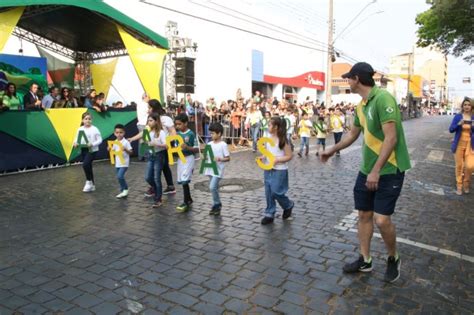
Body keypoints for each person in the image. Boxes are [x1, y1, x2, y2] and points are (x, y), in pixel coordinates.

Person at [321, 62, 411, 283]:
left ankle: (393, 257)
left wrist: (376, 171)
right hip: (367, 170)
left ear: (358, 79)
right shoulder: (361, 106)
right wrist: (332, 149)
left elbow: (391, 138)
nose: (347, 82)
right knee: (363, 215)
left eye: (349, 78)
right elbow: (352, 135)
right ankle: (365, 259)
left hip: (389, 169)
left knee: (381, 220)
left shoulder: (383, 99)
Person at [259, 117, 294, 225]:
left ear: (276, 127)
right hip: (268, 168)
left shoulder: (283, 140)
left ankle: (288, 205)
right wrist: (263, 156)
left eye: (269, 125)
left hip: (280, 170)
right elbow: (267, 151)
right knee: (268, 191)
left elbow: (289, 156)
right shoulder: (268, 137)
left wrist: (278, 159)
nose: (267, 127)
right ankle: (269, 213)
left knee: (276, 191)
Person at [204, 122, 230, 215]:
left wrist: (220, 159)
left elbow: (228, 158)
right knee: (214, 187)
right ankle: (216, 205)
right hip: (210, 169)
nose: (211, 135)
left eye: (213, 133)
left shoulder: (223, 144)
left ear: (219, 134)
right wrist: (205, 157)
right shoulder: (209, 144)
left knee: (212, 187)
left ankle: (217, 204)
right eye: (210, 133)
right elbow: (207, 156)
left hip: (218, 169)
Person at [449, 97, 474, 195]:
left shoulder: (473, 117)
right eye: (465, 105)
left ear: (471, 106)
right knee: (459, 166)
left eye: (468, 105)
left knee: (469, 166)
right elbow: (451, 129)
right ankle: (459, 186)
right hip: (459, 143)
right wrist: (459, 124)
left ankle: (466, 183)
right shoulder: (458, 116)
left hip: (470, 144)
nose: (467, 106)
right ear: (462, 106)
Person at [175, 114, 199, 212]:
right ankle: (188, 199)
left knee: (185, 179)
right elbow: (176, 146)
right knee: (182, 180)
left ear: (185, 123)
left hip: (189, 158)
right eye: (176, 124)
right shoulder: (177, 134)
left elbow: (197, 149)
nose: (177, 126)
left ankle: (185, 201)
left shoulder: (191, 134)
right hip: (181, 158)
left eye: (179, 124)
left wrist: (187, 147)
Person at [73, 112, 103, 192]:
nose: (87, 120)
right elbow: (76, 138)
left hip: (92, 150)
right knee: (88, 166)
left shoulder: (95, 129)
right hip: (84, 150)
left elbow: (100, 140)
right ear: (82, 120)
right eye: (86, 119)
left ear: (91, 120)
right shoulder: (80, 129)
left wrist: (92, 144)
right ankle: (92, 185)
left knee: (85, 164)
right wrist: (75, 143)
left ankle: (88, 181)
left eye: (89, 119)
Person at [110, 124, 133, 198]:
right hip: (118, 163)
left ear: (124, 133)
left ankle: (125, 189)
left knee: (120, 176)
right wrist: (109, 149)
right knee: (119, 177)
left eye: (121, 132)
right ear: (114, 133)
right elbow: (113, 151)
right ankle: (122, 190)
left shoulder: (126, 142)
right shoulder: (115, 142)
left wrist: (125, 149)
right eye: (117, 133)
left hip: (124, 163)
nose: (119, 134)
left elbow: (131, 152)